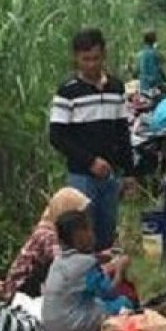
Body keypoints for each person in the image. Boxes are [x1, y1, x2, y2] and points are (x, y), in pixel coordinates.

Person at [49, 28, 136, 251]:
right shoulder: (68, 92)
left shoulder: (116, 88)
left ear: (103, 55)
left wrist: (129, 173)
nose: (91, 65)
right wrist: (90, 161)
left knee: (106, 236)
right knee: (82, 239)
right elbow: (57, 136)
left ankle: (103, 282)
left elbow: (122, 132)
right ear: (76, 58)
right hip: (81, 177)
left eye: (96, 58)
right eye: (85, 59)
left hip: (110, 177)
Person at [2, 187, 134, 300]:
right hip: (22, 293)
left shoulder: (51, 229)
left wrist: (100, 256)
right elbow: (72, 274)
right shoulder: (49, 236)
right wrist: (114, 266)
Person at [41, 210, 134, 331]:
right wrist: (119, 269)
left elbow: (85, 276)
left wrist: (103, 260)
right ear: (84, 235)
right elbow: (108, 292)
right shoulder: (86, 264)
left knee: (96, 302)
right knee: (123, 303)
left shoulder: (58, 262)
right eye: (89, 229)